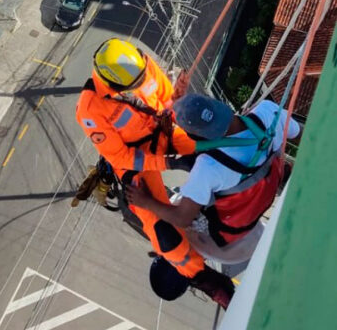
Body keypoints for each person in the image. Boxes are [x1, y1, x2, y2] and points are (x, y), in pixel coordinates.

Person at [76, 41, 234, 308]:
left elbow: (163, 101)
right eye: (132, 84)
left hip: (164, 130)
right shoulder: (91, 110)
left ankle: (249, 186)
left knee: (216, 153)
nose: (140, 82)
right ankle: (205, 280)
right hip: (136, 161)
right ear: (114, 85)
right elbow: (122, 157)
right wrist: (168, 163)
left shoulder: (140, 64)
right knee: (163, 233)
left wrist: (177, 98)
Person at [126, 93, 301, 277]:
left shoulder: (209, 167)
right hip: (260, 201)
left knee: (176, 209)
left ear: (197, 136)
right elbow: (300, 133)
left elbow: (182, 218)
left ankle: (184, 266)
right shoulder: (268, 112)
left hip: (227, 238)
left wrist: (146, 202)